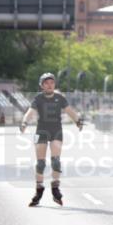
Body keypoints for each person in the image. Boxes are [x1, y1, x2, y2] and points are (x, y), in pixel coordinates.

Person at [20, 73, 84, 206]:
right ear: (42, 85)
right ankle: (39, 189)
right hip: (41, 132)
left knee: (55, 161)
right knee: (41, 163)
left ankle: (55, 188)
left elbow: (69, 111)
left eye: (52, 83)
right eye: (46, 83)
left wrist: (78, 120)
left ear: (54, 85)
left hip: (56, 131)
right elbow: (30, 112)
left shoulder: (60, 98)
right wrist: (24, 122)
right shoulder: (38, 98)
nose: (50, 85)